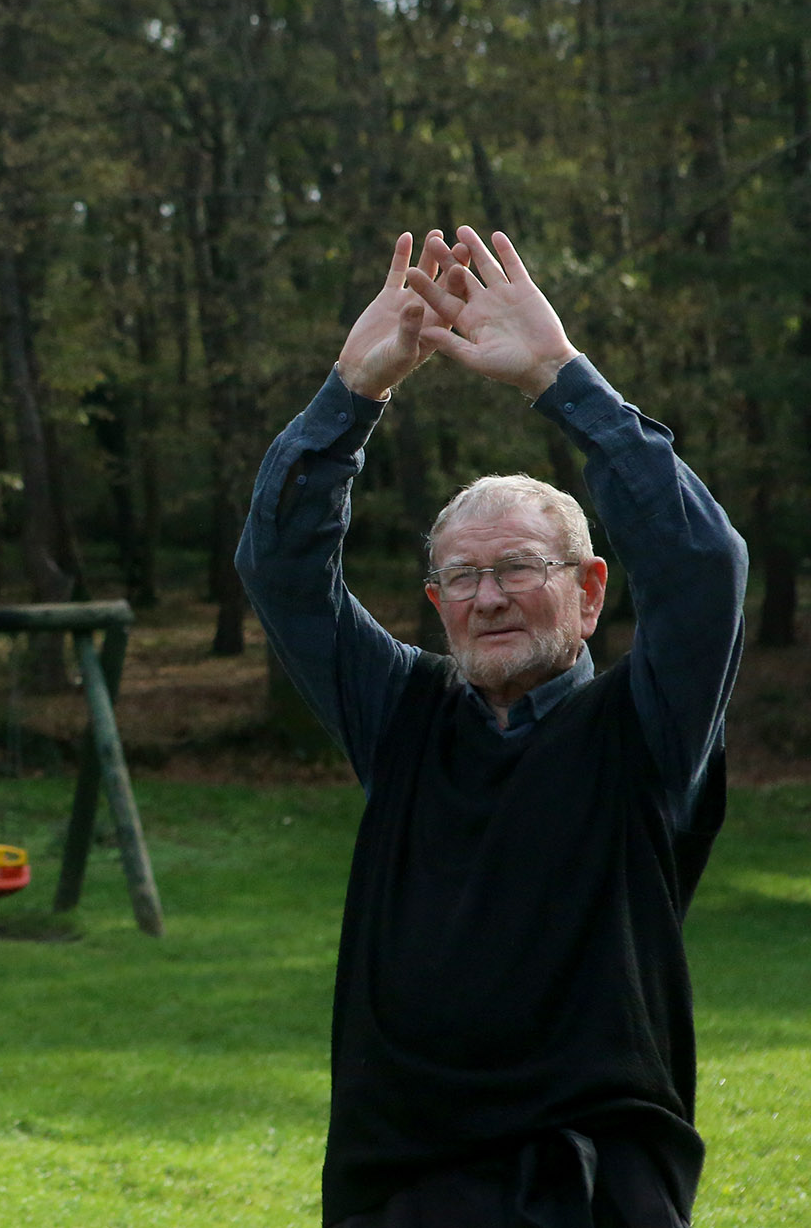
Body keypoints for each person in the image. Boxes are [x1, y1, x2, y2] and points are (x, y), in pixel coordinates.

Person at [236, 227, 746, 1227]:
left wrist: (557, 377)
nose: (488, 597)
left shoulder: (643, 729)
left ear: (588, 591)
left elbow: (699, 566)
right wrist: (348, 392)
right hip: (404, 1179)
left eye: (517, 567)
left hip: (589, 1182)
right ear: (435, 600)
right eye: (461, 577)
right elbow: (282, 571)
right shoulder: (400, 715)